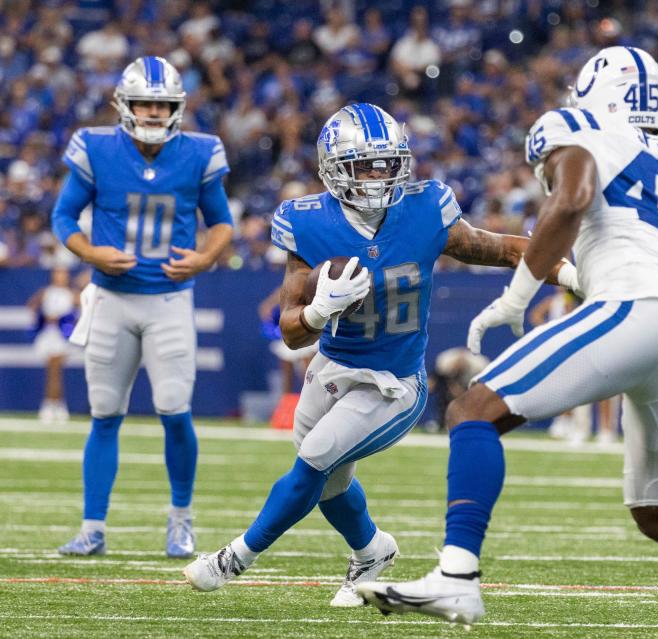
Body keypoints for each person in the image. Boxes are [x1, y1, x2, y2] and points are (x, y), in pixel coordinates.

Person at [357, 47, 658, 638]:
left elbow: (575, 193)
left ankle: (457, 577)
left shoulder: (578, 129)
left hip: (633, 308)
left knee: (472, 410)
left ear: (589, 96)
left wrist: (520, 291)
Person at [183, 102, 579, 607]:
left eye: (387, 162)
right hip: (331, 367)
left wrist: (570, 275)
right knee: (330, 482)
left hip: (393, 382)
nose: (378, 174)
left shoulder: (425, 208)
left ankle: (233, 559)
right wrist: (318, 311)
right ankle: (372, 550)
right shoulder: (307, 223)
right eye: (364, 164)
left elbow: (500, 248)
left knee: (315, 461)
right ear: (333, 167)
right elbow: (290, 331)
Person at [51, 56, 234, 558]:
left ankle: (181, 520)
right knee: (104, 414)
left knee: (175, 411)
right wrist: (90, 252)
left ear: (176, 107)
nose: (153, 112)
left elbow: (221, 224)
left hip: (169, 301)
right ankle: (92, 527)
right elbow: (63, 214)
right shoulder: (97, 146)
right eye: (144, 103)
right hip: (111, 298)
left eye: (162, 104)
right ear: (125, 105)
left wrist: (202, 260)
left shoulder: (199, 152)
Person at [27, 266, 78, 424]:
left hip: (62, 337)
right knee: (52, 371)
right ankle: (55, 405)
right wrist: (43, 317)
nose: (60, 277)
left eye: (63, 274)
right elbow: (32, 305)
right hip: (48, 335)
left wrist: (67, 320)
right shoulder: (46, 292)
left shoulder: (72, 294)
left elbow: (83, 308)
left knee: (55, 371)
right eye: (58, 273)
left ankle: (53, 405)